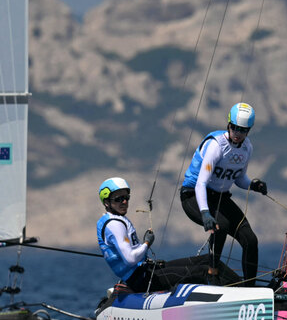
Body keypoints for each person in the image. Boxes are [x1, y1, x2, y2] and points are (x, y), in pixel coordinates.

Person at [97, 177, 233, 293]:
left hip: (147, 270)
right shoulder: (114, 224)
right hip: (141, 280)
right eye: (118, 199)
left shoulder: (116, 219)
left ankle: (245, 288)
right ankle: (234, 297)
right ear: (107, 203)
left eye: (126, 197)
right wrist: (147, 243)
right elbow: (131, 259)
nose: (124, 202)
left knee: (209, 260)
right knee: (203, 271)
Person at [180, 102, 267, 282]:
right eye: (234, 128)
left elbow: (239, 179)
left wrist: (254, 185)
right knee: (221, 225)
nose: (238, 134)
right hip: (193, 195)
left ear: (249, 130)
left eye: (243, 130)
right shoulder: (216, 146)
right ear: (228, 124)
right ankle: (212, 274)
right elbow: (201, 183)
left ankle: (250, 288)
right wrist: (205, 213)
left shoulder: (246, 148)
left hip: (219, 198)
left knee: (250, 240)